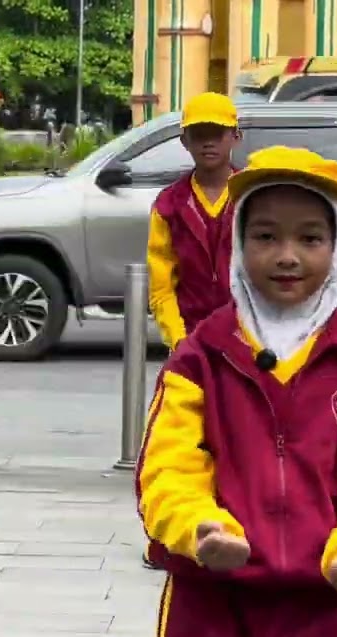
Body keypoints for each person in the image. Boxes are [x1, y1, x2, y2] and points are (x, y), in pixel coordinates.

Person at [136, 145, 337, 637]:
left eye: (310, 238)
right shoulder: (200, 356)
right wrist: (201, 529)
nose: (287, 256)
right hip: (210, 605)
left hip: (319, 613)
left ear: (336, 248)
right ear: (238, 244)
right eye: (264, 237)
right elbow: (167, 469)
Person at [142, 90, 239, 570]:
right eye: (198, 135)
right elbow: (162, 284)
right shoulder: (170, 204)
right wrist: (180, 341)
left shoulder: (253, 194)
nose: (208, 144)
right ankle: (166, 538)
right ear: (185, 142)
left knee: (244, 443)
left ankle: (236, 532)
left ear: (235, 137)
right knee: (177, 444)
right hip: (193, 342)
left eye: (216, 134)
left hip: (249, 342)